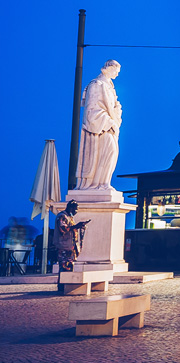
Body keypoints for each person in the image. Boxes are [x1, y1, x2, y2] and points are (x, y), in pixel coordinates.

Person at [76, 60, 122, 191]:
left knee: (112, 154)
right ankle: (99, 184)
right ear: (108, 68)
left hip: (110, 127)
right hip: (101, 128)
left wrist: (117, 113)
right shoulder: (97, 85)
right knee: (108, 152)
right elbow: (91, 110)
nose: (117, 75)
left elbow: (114, 107)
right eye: (116, 71)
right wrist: (109, 122)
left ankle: (104, 182)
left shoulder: (110, 87)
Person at [55, 201, 88, 272]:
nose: (76, 212)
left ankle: (66, 283)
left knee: (69, 270)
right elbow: (63, 229)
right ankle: (63, 283)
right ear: (70, 208)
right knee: (64, 270)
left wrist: (79, 227)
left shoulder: (69, 217)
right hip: (64, 248)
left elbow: (71, 228)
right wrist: (76, 226)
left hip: (70, 248)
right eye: (75, 210)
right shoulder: (63, 216)